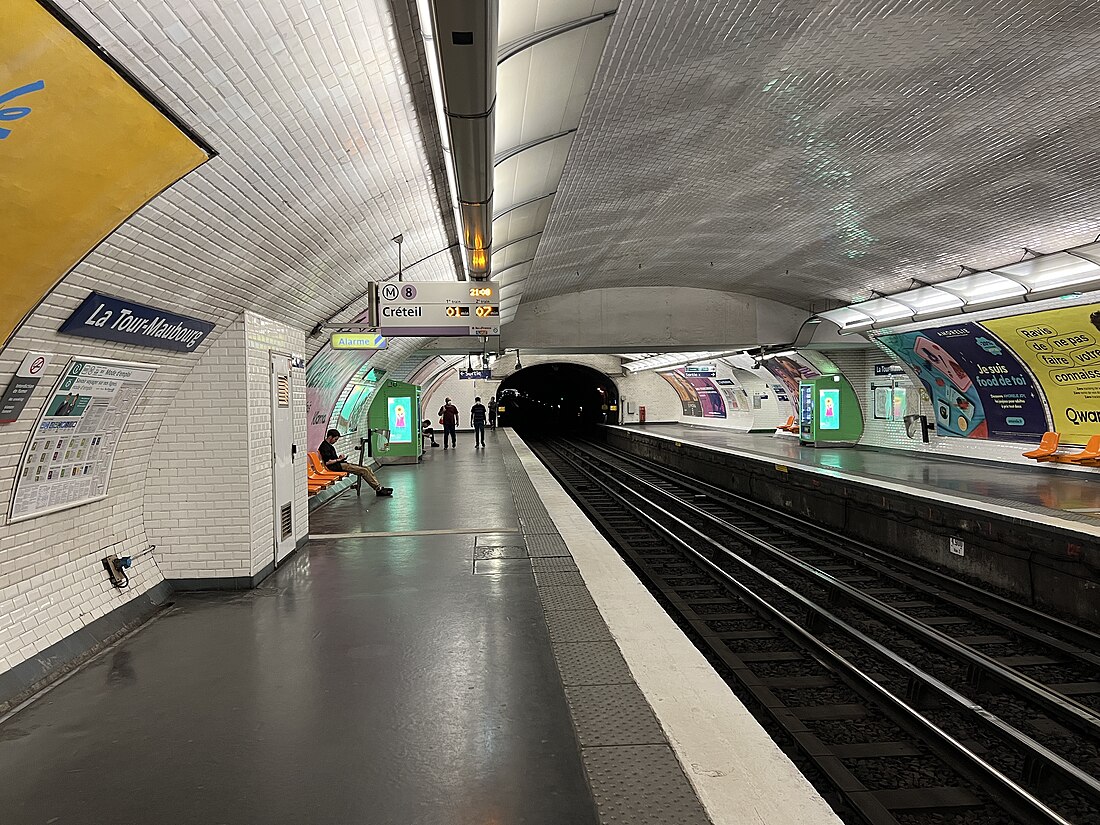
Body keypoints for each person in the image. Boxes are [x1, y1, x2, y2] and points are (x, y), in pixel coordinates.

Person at [318, 429, 393, 496]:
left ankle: (379, 487)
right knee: (364, 471)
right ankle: (378, 489)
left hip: (340, 464)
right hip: (335, 466)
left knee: (368, 468)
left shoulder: (329, 446)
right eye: (335, 439)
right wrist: (338, 460)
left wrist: (340, 458)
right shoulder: (324, 447)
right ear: (330, 437)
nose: (335, 441)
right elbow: (327, 462)